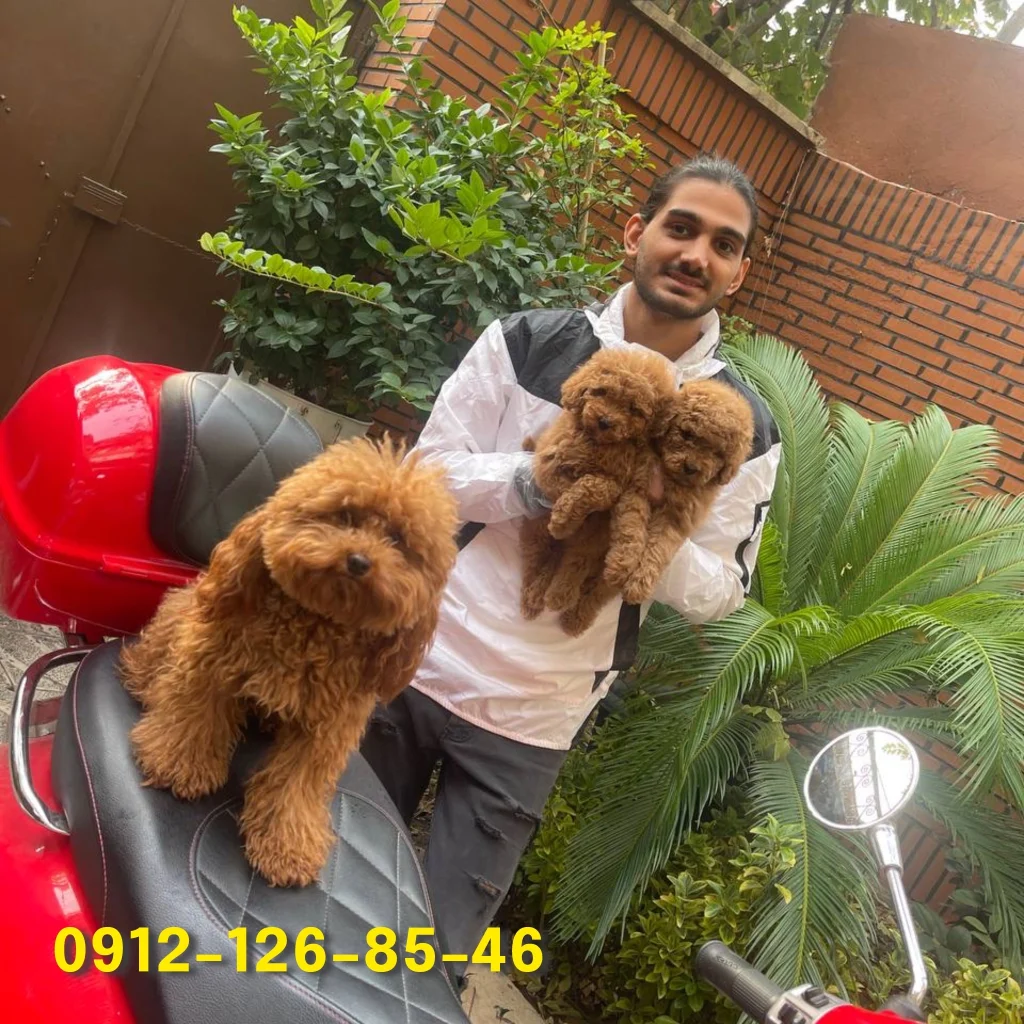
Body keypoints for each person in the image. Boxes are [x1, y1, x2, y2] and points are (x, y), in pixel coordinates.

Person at [359, 153, 782, 973]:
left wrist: (648, 528)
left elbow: (725, 590)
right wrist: (534, 479)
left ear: (739, 272)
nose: (697, 254)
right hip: (412, 665)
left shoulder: (744, 428)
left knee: (430, 967)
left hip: (534, 723)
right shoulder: (525, 342)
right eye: (681, 227)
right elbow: (424, 476)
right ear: (637, 232)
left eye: (723, 245)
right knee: (310, 891)